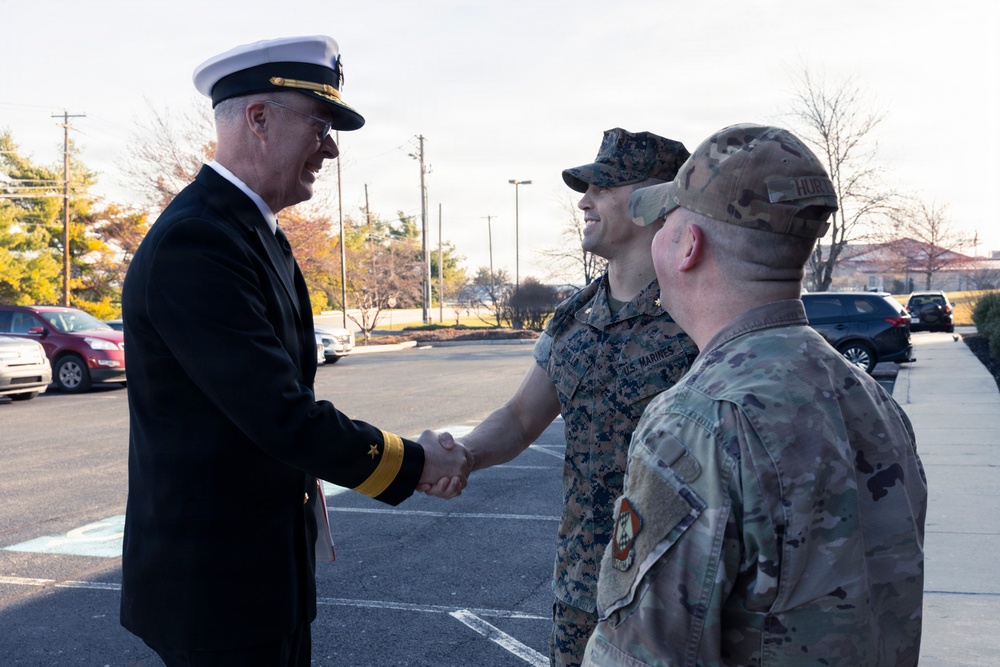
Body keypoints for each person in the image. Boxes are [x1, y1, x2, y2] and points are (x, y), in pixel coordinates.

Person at [119, 36, 472, 666]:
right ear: (258, 118)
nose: (331, 147)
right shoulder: (197, 242)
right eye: (320, 123)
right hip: (213, 591)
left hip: (260, 575)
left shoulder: (251, 232)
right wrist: (417, 464)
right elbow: (278, 412)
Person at [582, 124, 927, 666]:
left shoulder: (699, 421)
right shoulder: (871, 400)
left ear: (689, 246)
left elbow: (639, 655)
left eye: (666, 222)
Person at [423, 129, 699, 666]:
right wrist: (465, 456)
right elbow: (522, 417)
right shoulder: (575, 318)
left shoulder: (699, 316)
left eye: (603, 186)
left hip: (675, 595)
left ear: (655, 201)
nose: (584, 201)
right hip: (580, 588)